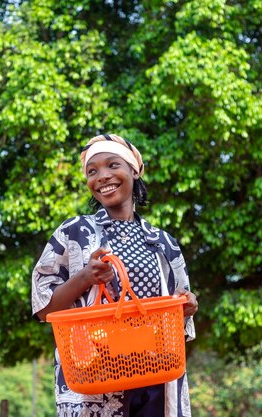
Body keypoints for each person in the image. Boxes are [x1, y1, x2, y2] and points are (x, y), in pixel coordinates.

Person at [31, 133, 198, 417]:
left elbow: (177, 318)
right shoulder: (75, 233)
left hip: (156, 378)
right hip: (95, 380)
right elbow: (43, 308)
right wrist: (85, 277)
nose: (102, 177)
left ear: (134, 170)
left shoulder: (164, 243)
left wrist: (188, 305)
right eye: (92, 171)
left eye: (113, 165)